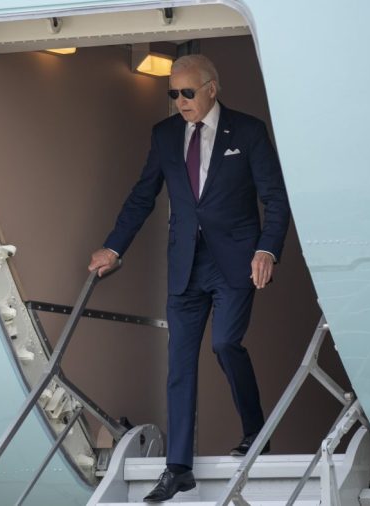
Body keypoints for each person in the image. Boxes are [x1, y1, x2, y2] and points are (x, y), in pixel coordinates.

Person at [87, 54, 290, 502]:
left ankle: (256, 432)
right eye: (173, 94)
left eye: (188, 92)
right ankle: (178, 467)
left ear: (212, 89)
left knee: (224, 344)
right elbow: (143, 196)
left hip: (235, 260)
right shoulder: (163, 136)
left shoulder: (249, 131)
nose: (180, 101)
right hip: (185, 265)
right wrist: (113, 247)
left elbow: (275, 199)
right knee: (179, 362)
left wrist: (267, 249)